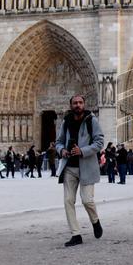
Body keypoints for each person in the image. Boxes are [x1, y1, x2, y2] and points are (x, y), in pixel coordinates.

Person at [56, 94, 105, 247]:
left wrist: (82, 151)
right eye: (75, 103)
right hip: (69, 167)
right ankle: (76, 234)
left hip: (86, 166)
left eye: (80, 102)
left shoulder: (92, 120)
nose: (78, 105)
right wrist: (62, 150)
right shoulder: (66, 121)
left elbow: (99, 142)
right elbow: (58, 142)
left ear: (84, 104)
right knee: (68, 201)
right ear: (71, 105)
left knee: (87, 200)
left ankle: (95, 221)